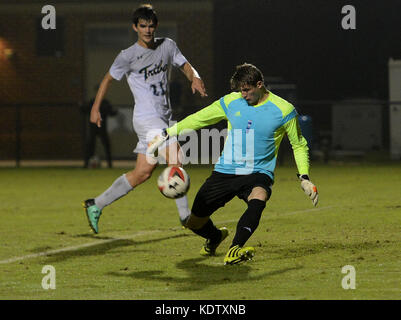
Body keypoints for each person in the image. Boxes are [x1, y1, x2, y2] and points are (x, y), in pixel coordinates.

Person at [147, 63, 318, 265]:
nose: (243, 95)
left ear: (260, 84)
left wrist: (304, 177)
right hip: (225, 171)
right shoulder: (231, 102)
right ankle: (215, 236)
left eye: (246, 90)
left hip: (258, 171)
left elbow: (299, 145)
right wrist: (167, 133)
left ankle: (235, 248)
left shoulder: (284, 110)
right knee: (193, 222)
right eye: (240, 90)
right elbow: (199, 119)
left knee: (259, 197)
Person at [83, 4, 207, 233]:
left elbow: (185, 65)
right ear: (135, 27)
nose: (147, 30)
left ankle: (95, 204)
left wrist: (195, 77)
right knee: (176, 156)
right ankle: (185, 216)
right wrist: (95, 108)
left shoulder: (167, 46)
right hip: (147, 119)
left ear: (156, 26)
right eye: (143, 26)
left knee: (142, 173)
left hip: (163, 118)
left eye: (151, 26)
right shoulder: (127, 56)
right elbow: (107, 79)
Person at [82, 86, 118, 169]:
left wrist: (114, 112)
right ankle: (86, 164)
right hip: (93, 128)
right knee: (90, 146)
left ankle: (110, 164)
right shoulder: (92, 102)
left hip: (102, 128)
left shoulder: (105, 102)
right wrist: (81, 107)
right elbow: (85, 110)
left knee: (106, 145)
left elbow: (111, 112)